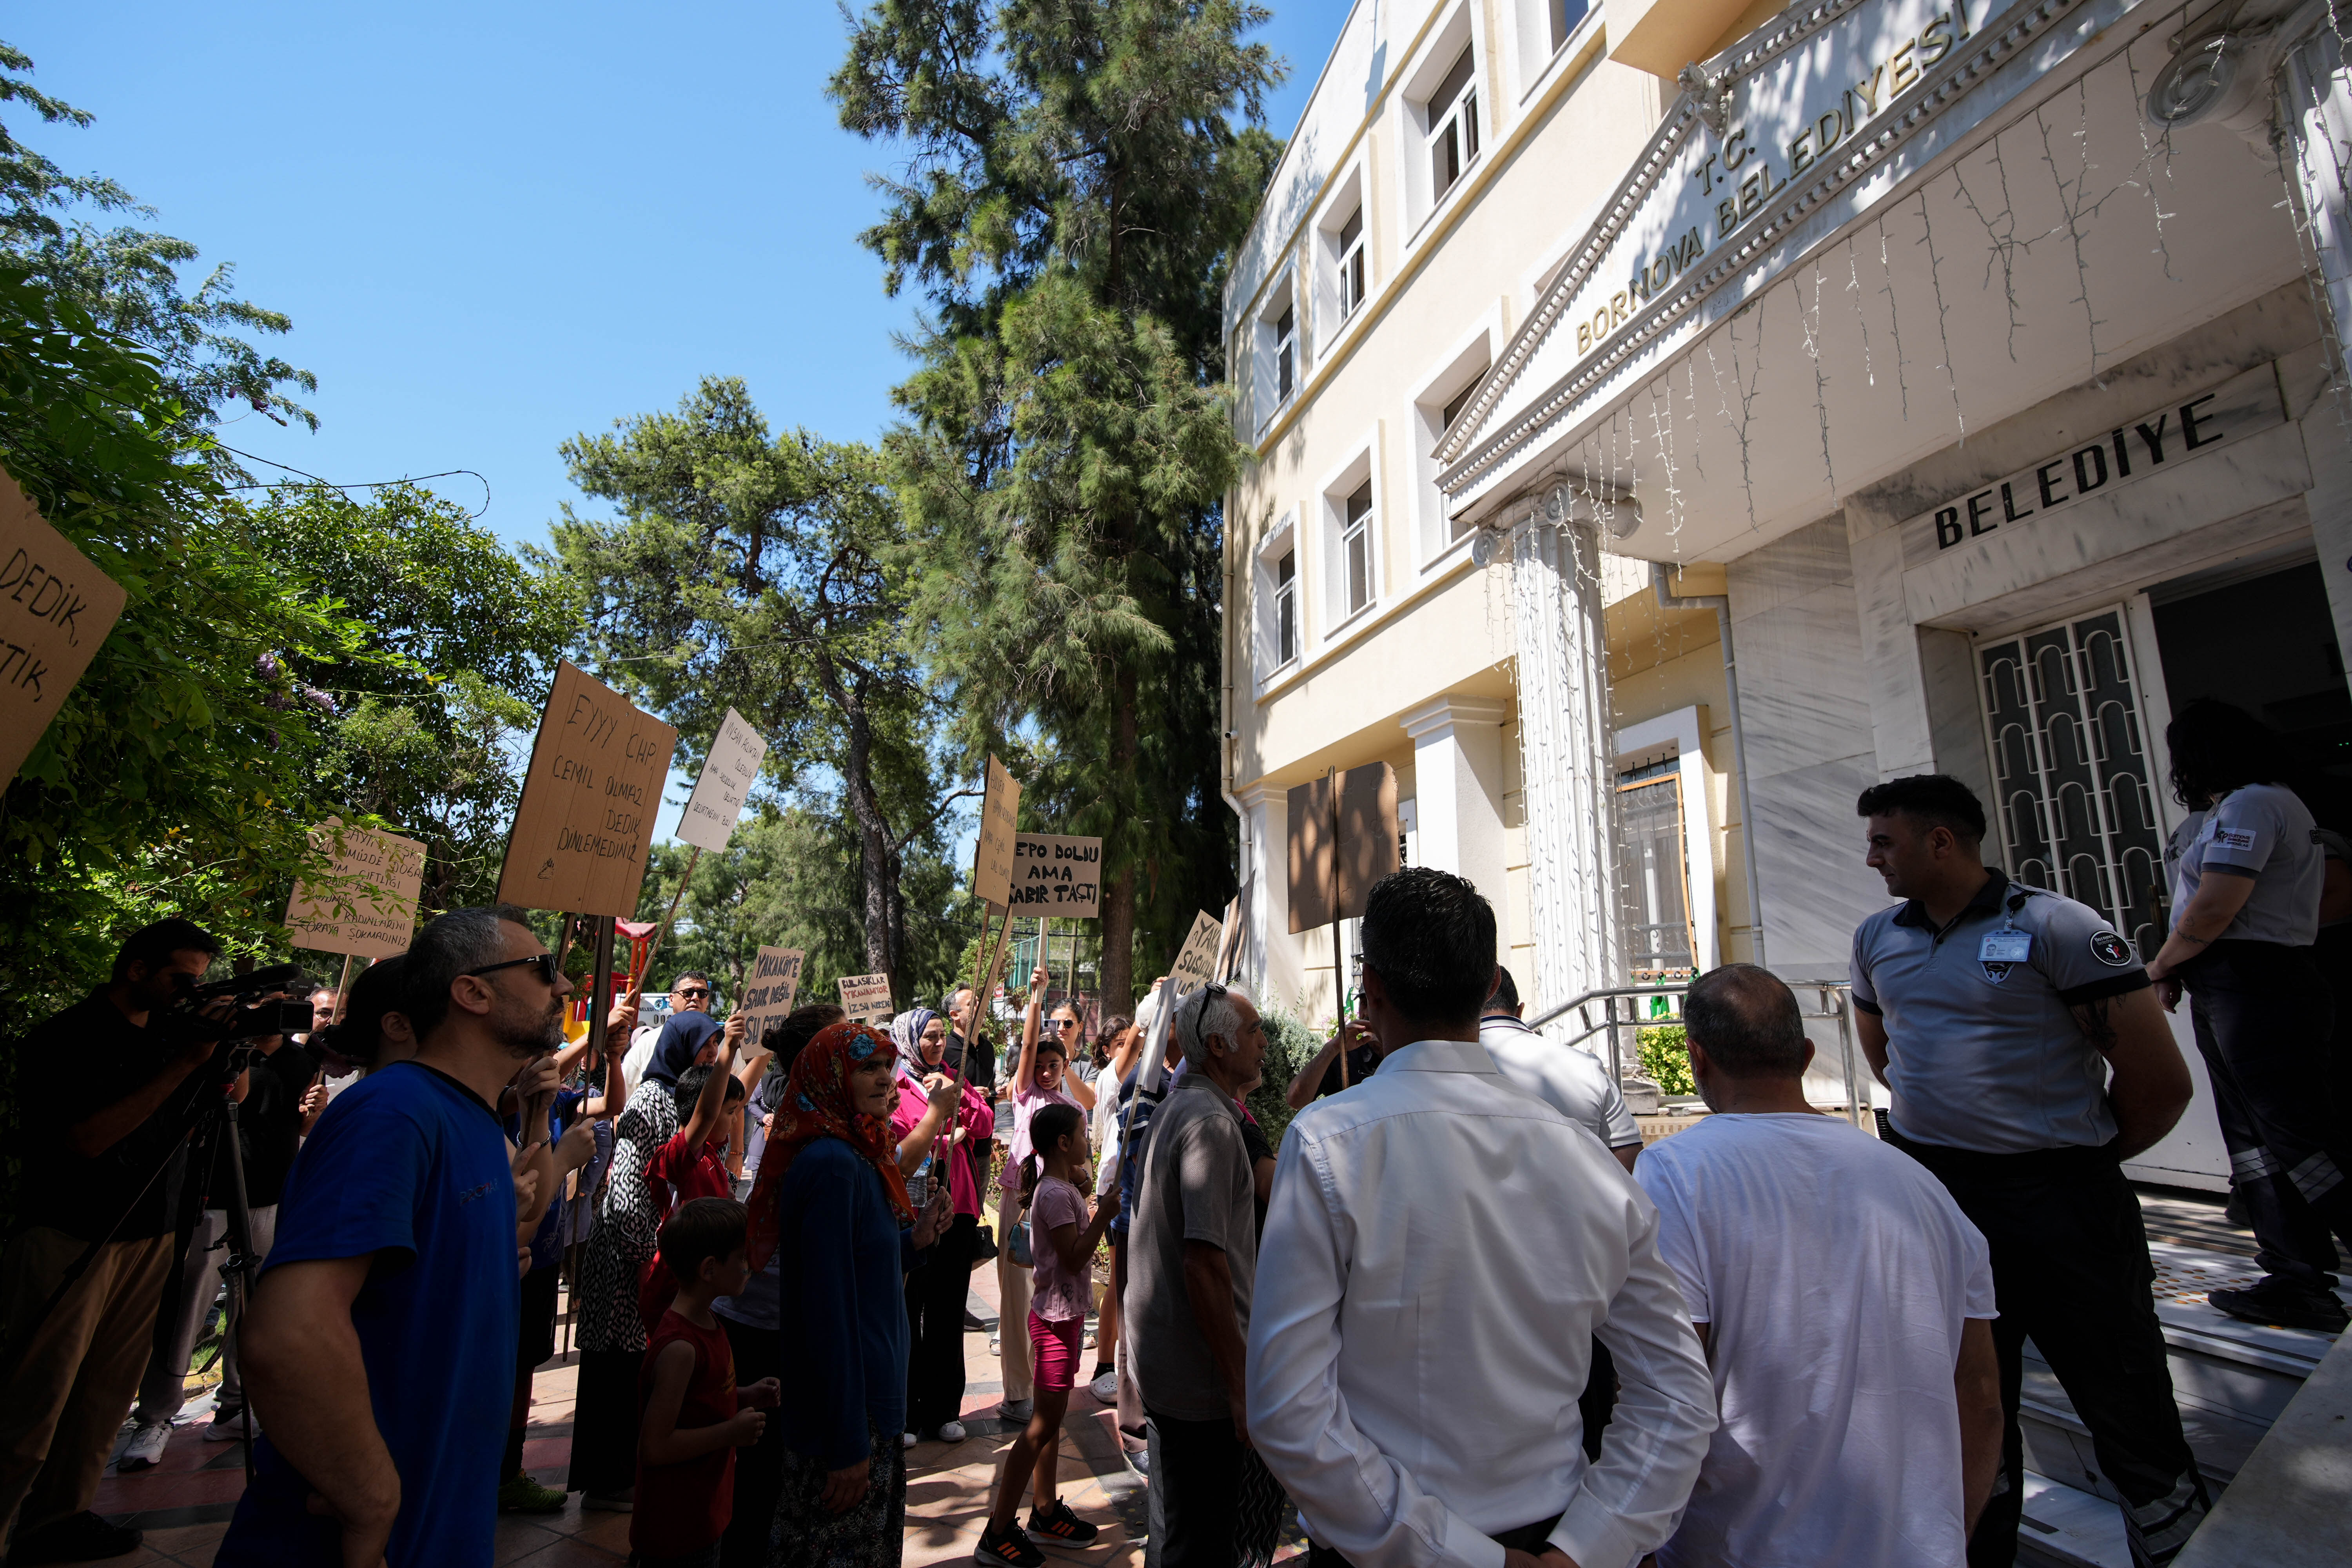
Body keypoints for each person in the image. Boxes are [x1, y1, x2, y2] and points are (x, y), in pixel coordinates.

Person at [1248, 868, 1717, 1568]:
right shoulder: (1586, 1160)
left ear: (1371, 992)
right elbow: (1678, 1392)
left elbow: (1288, 1409)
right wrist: (1589, 1545)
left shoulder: (1326, 1143)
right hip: (1544, 1537)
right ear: (1490, 981)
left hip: (1393, 1548)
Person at [1851, 774, 2208, 1567]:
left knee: (2127, 1405)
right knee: (1962, 1407)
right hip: (1939, 1203)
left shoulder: (2058, 926)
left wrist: (2080, 1159)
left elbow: (2160, 1082)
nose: (1871, 856)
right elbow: (1889, 1057)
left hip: (2064, 1208)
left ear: (1940, 840)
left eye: (1885, 840)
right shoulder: (1877, 936)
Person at [215, 905, 569, 1567]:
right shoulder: (394, 1112)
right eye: (544, 969)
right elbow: (287, 1335)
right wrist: (373, 1495)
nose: (566, 987)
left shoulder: (468, 1121)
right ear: (472, 992)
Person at [1635, 964, 2004, 1566]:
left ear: (1697, 1058)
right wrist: (1948, 1537)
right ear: (1806, 1054)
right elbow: (1982, 1395)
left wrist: (1635, 1540)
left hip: (1742, 1547)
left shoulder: (1676, 1175)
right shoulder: (1923, 1187)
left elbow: (1668, 1384)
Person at [0, 918, 229, 1565]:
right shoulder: (64, 1039)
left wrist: (216, 1063)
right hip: (73, 1233)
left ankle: (59, 1518)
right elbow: (87, 1140)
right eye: (181, 978)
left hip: (149, 1232)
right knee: (35, 1397)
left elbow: (197, 1117)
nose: (190, 992)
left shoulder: (167, 1038)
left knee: (105, 1394)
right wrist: (185, 1062)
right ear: (136, 969)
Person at [2144, 701, 2345, 1331]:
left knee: (2299, 1134)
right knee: (2254, 1142)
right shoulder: (2228, 810)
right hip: (2229, 982)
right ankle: (2295, 1275)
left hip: (2259, 983)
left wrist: (2159, 967)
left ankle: (2302, 1270)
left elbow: (2213, 910)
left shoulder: (2256, 803)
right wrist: (2186, 967)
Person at [746, 1021, 951, 1568]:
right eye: (868, 1067)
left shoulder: (856, 1154)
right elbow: (826, 1318)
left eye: (888, 1065)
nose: (886, 1079)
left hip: (871, 1408)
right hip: (849, 1419)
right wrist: (846, 1446)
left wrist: (917, 1241)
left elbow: (862, 1271)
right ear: (831, 1076)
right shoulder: (833, 1165)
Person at [118, 1002, 321, 1470]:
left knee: (253, 1310)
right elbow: (223, 1107)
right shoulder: (224, 1054)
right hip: (214, 1200)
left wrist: (310, 1114)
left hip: (271, 1201)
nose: (276, 1015)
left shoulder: (302, 1061)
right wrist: (235, 1052)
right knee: (188, 1308)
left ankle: (235, 1404)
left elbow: (299, 1127)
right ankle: (157, 1416)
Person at [1122, 980, 1272, 1568]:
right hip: (1201, 1380)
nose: (1264, 1044)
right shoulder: (1209, 1121)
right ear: (1218, 1044)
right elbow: (1204, 1263)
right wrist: (1239, 1387)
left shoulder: (1181, 1105)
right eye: (1255, 1032)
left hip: (1174, 1367)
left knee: (1181, 1528)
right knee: (1201, 1542)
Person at [572, 990, 730, 1509]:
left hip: (642, 1251)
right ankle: (608, 1479)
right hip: (624, 1253)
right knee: (616, 1368)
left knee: (632, 1364)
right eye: (706, 1047)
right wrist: (648, 1256)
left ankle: (622, 1472)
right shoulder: (648, 1099)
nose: (709, 1056)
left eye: (713, 1048)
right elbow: (629, 1187)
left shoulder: (674, 1095)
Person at [715, 1004, 844, 1568]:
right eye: (848, 1048)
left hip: (771, 1320)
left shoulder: (819, 1127)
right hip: (761, 1325)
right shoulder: (811, 1141)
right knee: (758, 1472)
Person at [976, 1104, 1120, 1568]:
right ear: (1063, 1143)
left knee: (1050, 1421)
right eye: (1082, 1134)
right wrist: (1105, 1215)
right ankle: (997, 1531)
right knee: (1039, 1428)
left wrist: (1086, 1190)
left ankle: (1044, 1508)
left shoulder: (1061, 1187)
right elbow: (1076, 1257)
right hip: (1056, 1323)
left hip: (1063, 1317)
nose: (1088, 1142)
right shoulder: (1055, 1196)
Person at [633, 1197, 781, 1568]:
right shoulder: (681, 1348)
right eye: (743, 1258)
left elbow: (701, 1402)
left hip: (705, 1510)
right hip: (676, 1527)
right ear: (710, 1269)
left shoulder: (710, 1324)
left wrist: (746, 1396)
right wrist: (731, 1432)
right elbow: (655, 1446)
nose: (752, 1266)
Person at [888, 1006, 990, 1446]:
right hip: (914, 1211)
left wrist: (955, 1093)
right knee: (910, 1309)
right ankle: (908, 1413)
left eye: (938, 1036)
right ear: (909, 1040)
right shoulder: (893, 1083)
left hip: (960, 1204)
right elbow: (896, 1139)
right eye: (926, 1037)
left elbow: (984, 1123)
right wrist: (938, 1134)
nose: (934, 1044)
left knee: (949, 1308)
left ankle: (945, 1410)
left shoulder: (953, 1077)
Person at [995, 967, 1092, 1421]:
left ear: (1066, 1065)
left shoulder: (1074, 1111)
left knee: (1052, 1294)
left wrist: (1085, 1184)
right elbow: (1031, 1044)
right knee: (1015, 1291)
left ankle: (1048, 1381)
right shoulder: (1024, 1095)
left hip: (1059, 1209)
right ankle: (1017, 1389)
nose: (1047, 1071)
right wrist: (1036, 997)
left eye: (1055, 1064)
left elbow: (1083, 1169)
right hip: (1021, 1201)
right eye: (1040, 1064)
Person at [626, 973, 717, 1093]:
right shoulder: (647, 1042)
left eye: (702, 993)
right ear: (671, 999)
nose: (696, 998)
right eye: (688, 993)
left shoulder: (723, 1043)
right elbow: (623, 1094)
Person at [1284, 1018, 1380, 1110]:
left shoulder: (1393, 1058)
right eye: (1363, 1004)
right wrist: (1333, 1047)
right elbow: (1295, 1100)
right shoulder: (1345, 1055)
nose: (1366, 1012)